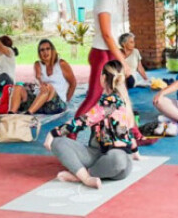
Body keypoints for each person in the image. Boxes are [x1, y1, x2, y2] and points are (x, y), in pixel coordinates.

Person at [44, 59, 140, 189]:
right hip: (95, 154)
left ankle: (84, 176)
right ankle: (87, 176)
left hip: (116, 158)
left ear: (104, 77)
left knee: (118, 160)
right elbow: (128, 132)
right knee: (58, 142)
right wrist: (135, 152)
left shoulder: (111, 102)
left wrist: (53, 132)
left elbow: (84, 121)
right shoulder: (117, 100)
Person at [77, 0, 126, 117]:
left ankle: (132, 133)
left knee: (119, 95)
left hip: (108, 53)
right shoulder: (104, 0)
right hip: (101, 54)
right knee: (94, 96)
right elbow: (106, 34)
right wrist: (123, 61)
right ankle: (69, 134)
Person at [8, 39, 77, 114]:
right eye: (42, 50)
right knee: (18, 86)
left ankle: (28, 114)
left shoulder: (61, 64)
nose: (45, 52)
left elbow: (73, 83)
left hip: (55, 103)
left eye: (48, 49)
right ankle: (10, 114)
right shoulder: (38, 64)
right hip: (39, 101)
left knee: (48, 86)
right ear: (39, 53)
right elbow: (37, 78)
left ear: (52, 50)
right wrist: (41, 84)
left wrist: (66, 100)